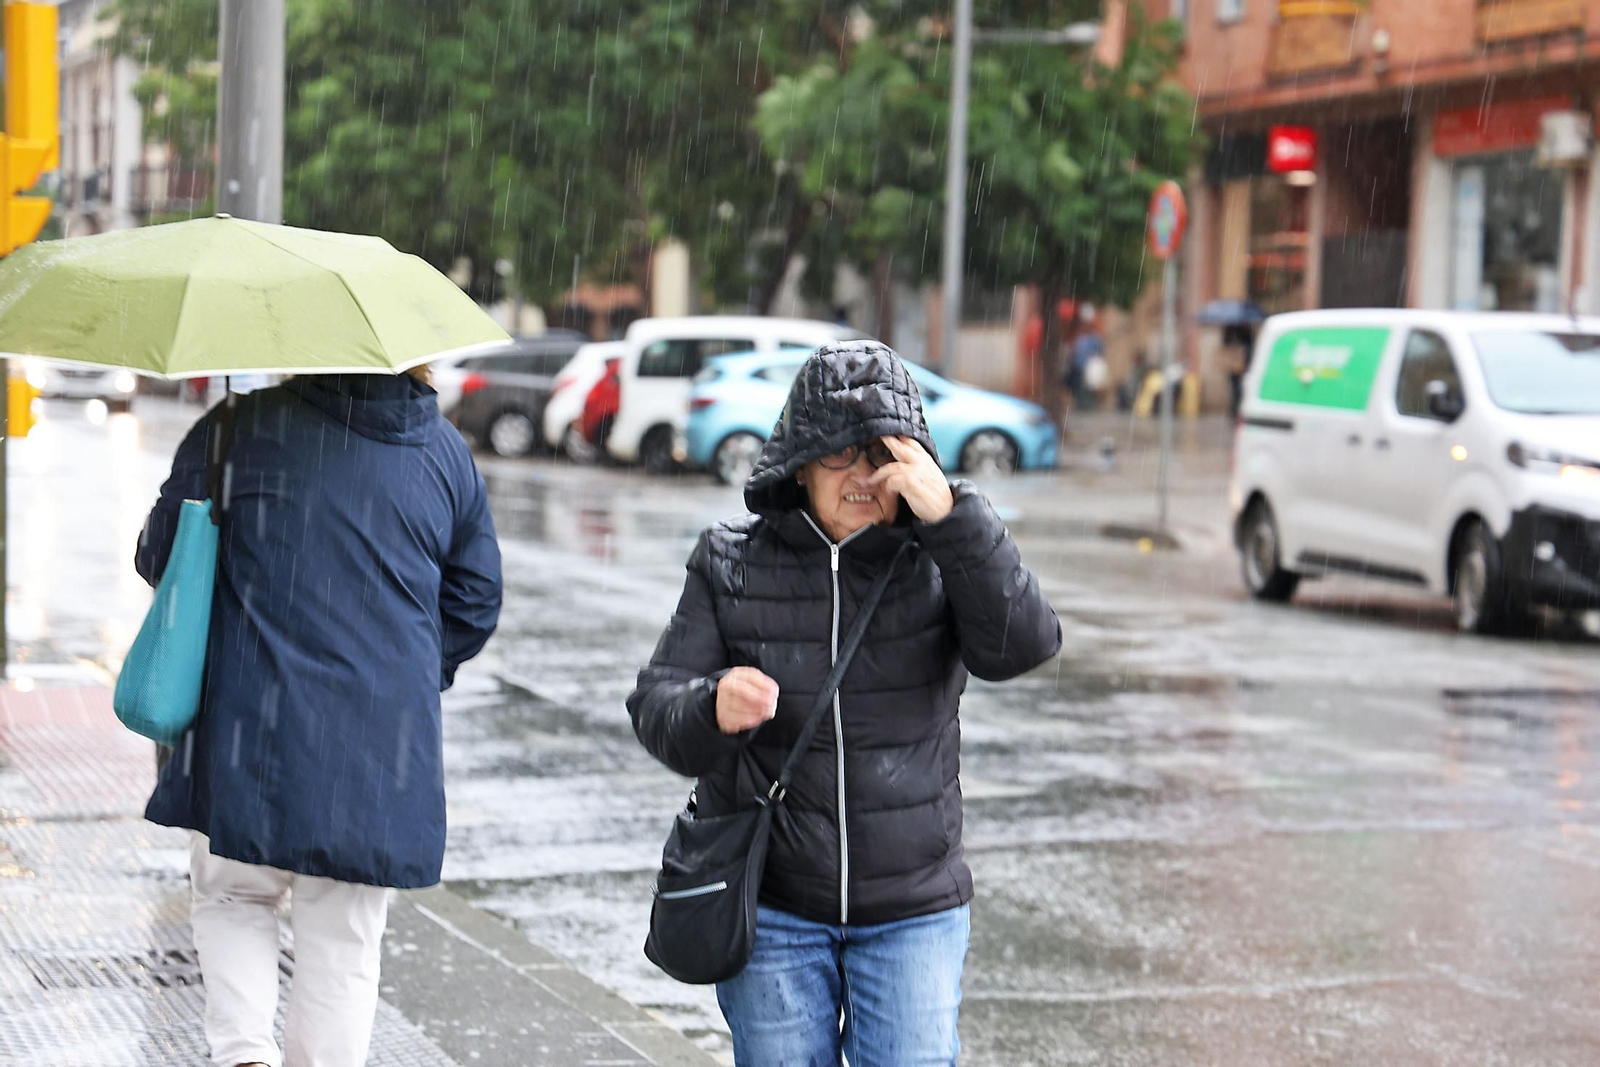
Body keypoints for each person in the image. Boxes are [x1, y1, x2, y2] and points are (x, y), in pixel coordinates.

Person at [627, 341, 1061, 1066]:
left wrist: (952, 516)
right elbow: (656, 707)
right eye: (839, 453)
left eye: (882, 453)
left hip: (912, 910)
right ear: (800, 458)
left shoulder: (938, 559)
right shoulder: (731, 560)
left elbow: (1025, 644)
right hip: (774, 908)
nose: (863, 475)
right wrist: (710, 707)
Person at [135, 368, 502, 1067]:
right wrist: (406, 673)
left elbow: (163, 554)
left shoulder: (239, 427)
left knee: (234, 894)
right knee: (345, 940)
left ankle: (244, 1055)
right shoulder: (445, 452)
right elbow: (477, 597)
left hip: (246, 725)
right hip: (377, 747)